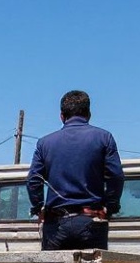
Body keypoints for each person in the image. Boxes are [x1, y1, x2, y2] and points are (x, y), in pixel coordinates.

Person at [27, 90, 123, 251]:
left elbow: (33, 180)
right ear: (89, 114)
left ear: (61, 116)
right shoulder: (104, 138)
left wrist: (38, 208)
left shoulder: (45, 143)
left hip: (56, 225)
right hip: (91, 222)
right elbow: (116, 176)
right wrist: (110, 207)